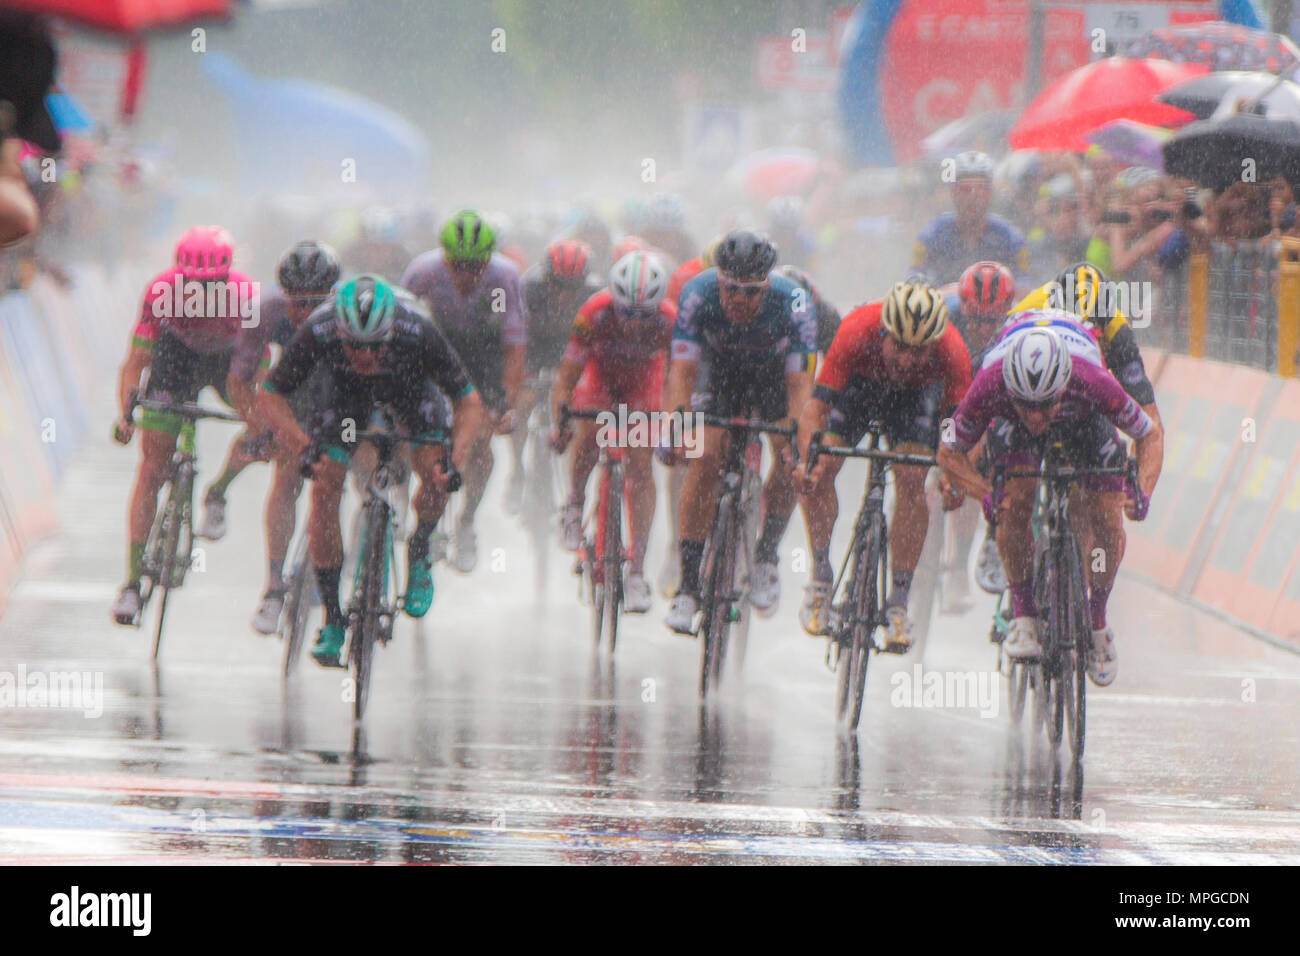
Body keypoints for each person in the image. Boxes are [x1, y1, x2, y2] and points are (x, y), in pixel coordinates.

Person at [256, 275, 485, 666]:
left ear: (391, 333)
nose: (364, 356)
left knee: (435, 472)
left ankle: (419, 549)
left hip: (410, 387)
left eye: (375, 346)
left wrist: (455, 459)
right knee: (325, 485)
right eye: (354, 346)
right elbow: (270, 394)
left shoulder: (418, 331)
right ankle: (332, 617)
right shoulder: (320, 330)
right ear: (339, 333)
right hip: (344, 395)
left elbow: (470, 402)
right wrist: (302, 446)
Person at [936, 318, 1161, 686]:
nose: (1038, 417)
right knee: (1014, 503)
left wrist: (1142, 491)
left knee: (1107, 517)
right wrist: (985, 493)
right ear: (1011, 388)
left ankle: (1098, 620)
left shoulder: (1092, 380)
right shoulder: (992, 382)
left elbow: (1149, 435)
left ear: (1063, 386)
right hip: (1012, 426)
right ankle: (1024, 613)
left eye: (1045, 405)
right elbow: (948, 450)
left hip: (1085, 421)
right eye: (1029, 405)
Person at [794, 281, 971, 651]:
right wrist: (805, 460)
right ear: (883, 332)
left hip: (915, 399)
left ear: (935, 343)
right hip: (861, 387)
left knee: (912, 479)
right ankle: (821, 577)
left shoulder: (952, 349)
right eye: (900, 346)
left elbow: (955, 428)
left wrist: (953, 474)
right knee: (823, 466)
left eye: (919, 351)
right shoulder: (857, 328)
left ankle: (898, 603)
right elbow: (817, 406)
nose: (907, 360)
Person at [660, 230, 817, 633]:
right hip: (719, 373)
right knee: (705, 455)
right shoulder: (698, 293)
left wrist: (800, 444)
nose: (739, 300)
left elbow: (801, 386)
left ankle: (766, 556)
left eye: (750, 292)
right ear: (719, 280)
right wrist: (675, 427)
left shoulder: (794, 300)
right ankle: (689, 585)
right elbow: (682, 371)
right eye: (730, 289)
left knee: (789, 455)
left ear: (767, 285)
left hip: (772, 378)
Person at [110, 227, 256, 625]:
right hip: (175, 360)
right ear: (179, 276)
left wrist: (260, 420)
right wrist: (126, 414)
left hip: (227, 363)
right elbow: (136, 363)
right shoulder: (161, 291)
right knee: (152, 469)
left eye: (213, 285)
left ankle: (217, 492)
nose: (203, 293)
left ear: (228, 277)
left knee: (264, 426)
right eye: (193, 284)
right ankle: (131, 581)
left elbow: (260, 375)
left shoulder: (247, 297)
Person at [400, 210, 526, 572]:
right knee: (410, 425)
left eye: (476, 266)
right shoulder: (424, 272)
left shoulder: (504, 278)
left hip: (484, 356)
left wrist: (504, 401)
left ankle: (467, 520)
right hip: (438, 348)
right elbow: (398, 326)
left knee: (481, 439)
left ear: (489, 260)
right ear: (444, 258)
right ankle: (400, 490)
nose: (467, 275)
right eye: (458, 265)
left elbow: (513, 347)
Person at [551, 251, 676, 613]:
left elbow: (678, 379)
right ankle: (574, 503)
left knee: (641, 464)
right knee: (591, 427)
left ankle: (636, 569)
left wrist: (671, 429)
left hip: (644, 381)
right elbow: (567, 376)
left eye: (644, 316)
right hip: (601, 376)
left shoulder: (670, 320)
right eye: (627, 313)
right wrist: (561, 421)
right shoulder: (594, 312)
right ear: (614, 301)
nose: (636, 324)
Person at [228, 241, 341, 633]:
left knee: (349, 471)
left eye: (313, 303)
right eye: (295, 300)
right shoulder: (266, 311)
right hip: (291, 388)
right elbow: (239, 380)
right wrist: (261, 428)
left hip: (338, 389)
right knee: (287, 476)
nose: (303, 312)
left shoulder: (348, 313)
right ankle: (274, 586)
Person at [507, 239, 603, 514]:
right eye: (557, 285)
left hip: (574, 351)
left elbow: (598, 346)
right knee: (524, 401)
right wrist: (521, 376)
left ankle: (572, 480)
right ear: (545, 278)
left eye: (572, 287)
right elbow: (515, 338)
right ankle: (517, 469)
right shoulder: (528, 288)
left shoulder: (593, 294)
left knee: (579, 413)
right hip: (536, 348)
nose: (564, 294)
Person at [913, 151, 1030, 285]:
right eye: (965, 189)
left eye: (981, 189)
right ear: (953, 193)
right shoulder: (932, 235)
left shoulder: (1010, 237)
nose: (973, 197)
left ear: (991, 193)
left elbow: (1023, 285)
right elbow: (914, 280)